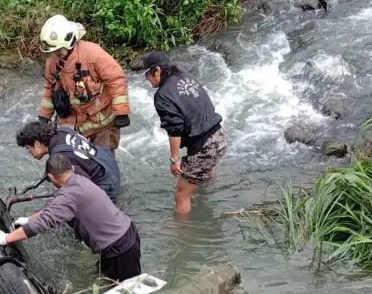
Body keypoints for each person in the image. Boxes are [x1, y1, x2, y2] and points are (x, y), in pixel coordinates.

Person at [0, 154, 141, 282]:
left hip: (119, 248)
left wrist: (5, 239)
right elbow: (55, 208)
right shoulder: (78, 180)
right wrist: (29, 219)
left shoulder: (69, 195)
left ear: (51, 177)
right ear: (71, 168)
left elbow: (41, 224)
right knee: (106, 281)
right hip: (125, 233)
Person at [141, 52, 227, 218]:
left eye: (147, 74)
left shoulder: (162, 96)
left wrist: (174, 160)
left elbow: (175, 128)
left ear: (157, 70)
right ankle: (208, 195)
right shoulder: (185, 76)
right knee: (204, 173)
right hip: (219, 135)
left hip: (204, 148)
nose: (146, 79)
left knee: (181, 195)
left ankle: (183, 230)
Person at [37, 15, 131, 157]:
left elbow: (116, 79)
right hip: (72, 126)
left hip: (101, 125)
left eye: (58, 50)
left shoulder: (93, 54)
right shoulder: (52, 62)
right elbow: (50, 89)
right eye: (53, 51)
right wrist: (44, 117)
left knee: (103, 162)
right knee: (73, 163)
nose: (55, 53)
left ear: (69, 42)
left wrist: (121, 112)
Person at [16, 120, 121, 203]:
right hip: (109, 163)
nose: (29, 153)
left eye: (28, 149)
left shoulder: (60, 156)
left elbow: (86, 186)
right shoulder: (61, 131)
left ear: (37, 144)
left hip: (107, 183)